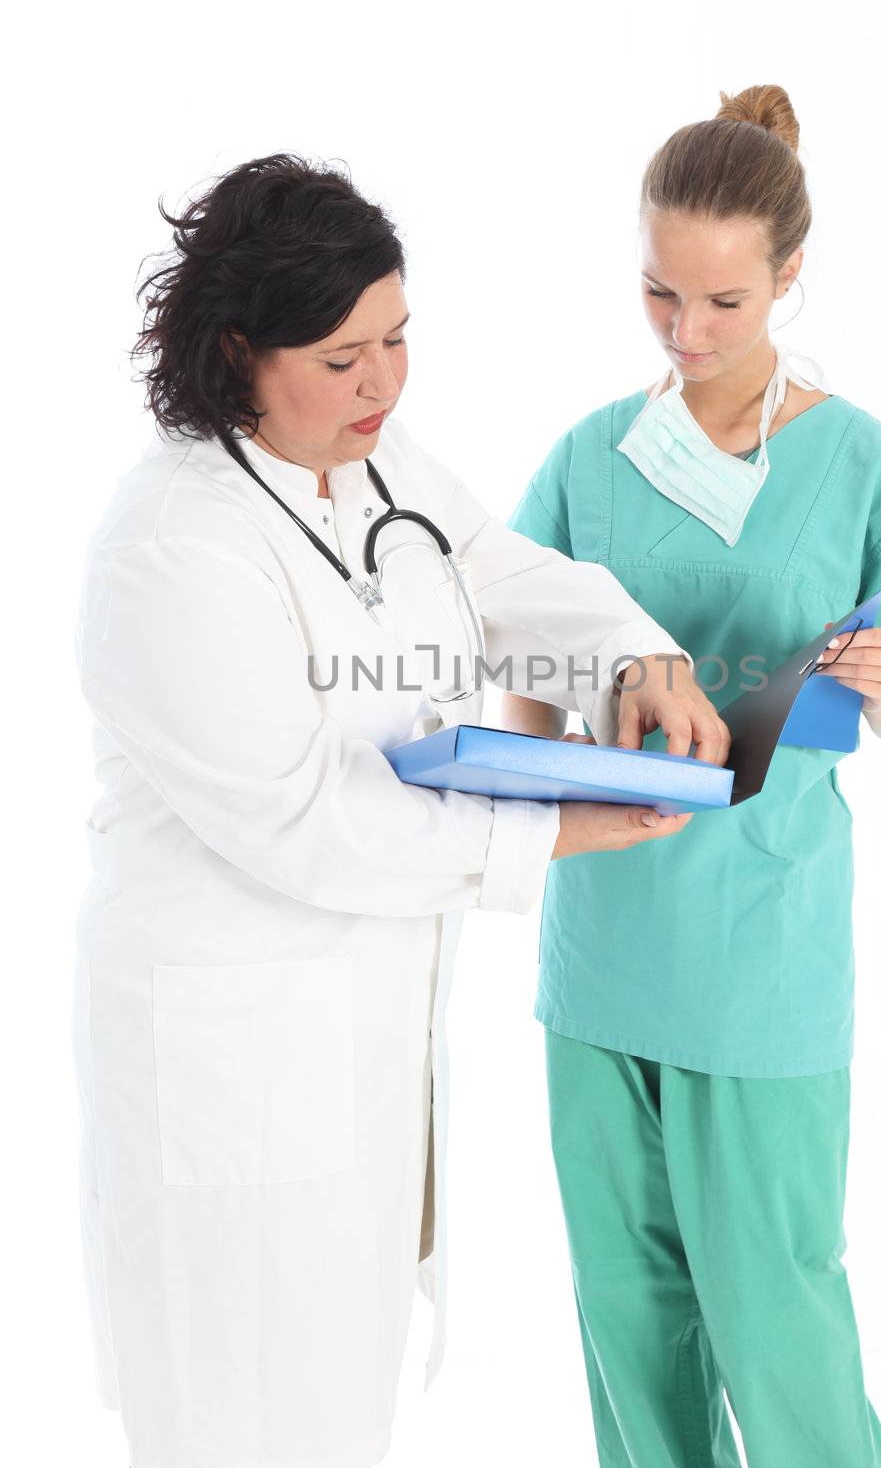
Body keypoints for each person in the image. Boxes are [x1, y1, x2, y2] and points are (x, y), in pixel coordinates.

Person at [72, 152, 731, 1468]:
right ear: (234, 352)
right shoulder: (172, 548)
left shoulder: (367, 461)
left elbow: (490, 568)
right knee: (233, 1417)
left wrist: (627, 655)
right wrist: (551, 830)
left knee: (336, 1410)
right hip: (228, 1070)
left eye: (398, 338)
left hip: (359, 1049)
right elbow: (304, 818)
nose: (382, 381)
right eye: (341, 355)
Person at [502, 85, 881, 1468]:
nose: (688, 333)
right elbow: (525, 660)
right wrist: (538, 778)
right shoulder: (591, 457)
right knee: (629, 1317)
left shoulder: (860, 463)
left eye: (725, 302)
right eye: (661, 294)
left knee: (776, 1314)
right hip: (603, 946)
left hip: (762, 950)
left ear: (790, 278)